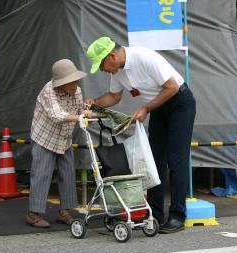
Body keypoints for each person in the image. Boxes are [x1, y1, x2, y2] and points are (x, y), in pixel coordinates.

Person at [85, 37, 196, 233]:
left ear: (111, 56)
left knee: (176, 160)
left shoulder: (143, 57)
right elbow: (113, 96)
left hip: (180, 103)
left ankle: (178, 215)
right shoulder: (117, 71)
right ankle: (154, 214)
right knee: (154, 161)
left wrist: (145, 108)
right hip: (159, 107)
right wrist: (93, 105)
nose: (102, 70)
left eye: (101, 65)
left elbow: (171, 87)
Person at [26, 59, 92, 228]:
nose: (75, 84)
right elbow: (57, 115)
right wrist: (80, 117)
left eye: (76, 80)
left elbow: (79, 111)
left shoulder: (77, 91)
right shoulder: (49, 91)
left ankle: (64, 212)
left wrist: (85, 109)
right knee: (42, 173)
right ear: (60, 82)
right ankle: (33, 214)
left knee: (67, 173)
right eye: (71, 81)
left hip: (64, 138)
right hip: (44, 137)